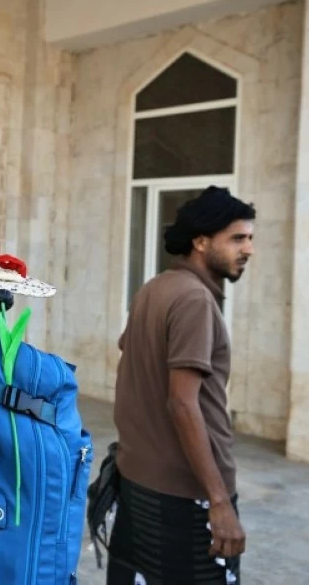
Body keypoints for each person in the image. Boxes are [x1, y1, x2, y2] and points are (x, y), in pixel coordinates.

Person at [109, 186, 255, 585]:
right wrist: (219, 500)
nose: (248, 249)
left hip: (139, 481)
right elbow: (182, 403)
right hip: (186, 494)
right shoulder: (194, 300)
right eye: (237, 239)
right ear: (201, 242)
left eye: (249, 238)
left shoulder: (155, 287)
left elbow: (132, 360)